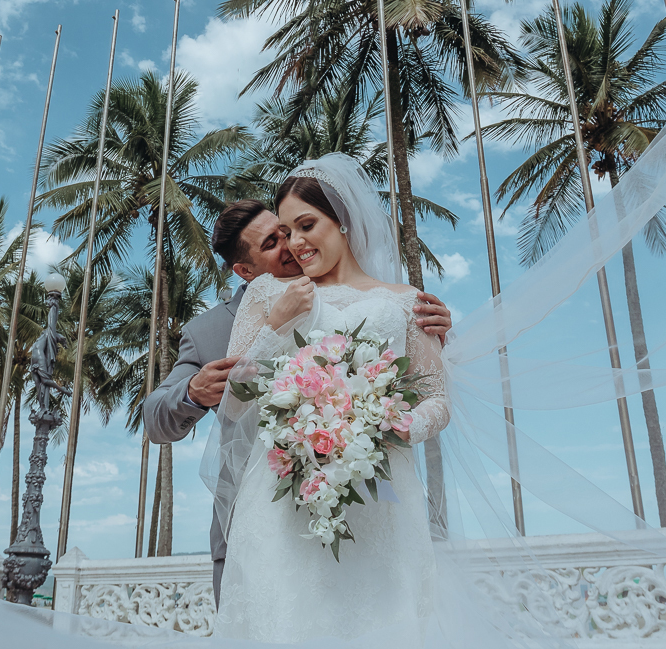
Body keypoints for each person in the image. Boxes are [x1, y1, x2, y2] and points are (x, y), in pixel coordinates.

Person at [142, 197, 454, 605]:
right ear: (245, 270)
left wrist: (438, 333)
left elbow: (421, 377)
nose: (291, 245)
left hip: (373, 501)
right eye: (272, 243)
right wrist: (193, 392)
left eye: (287, 231)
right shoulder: (209, 330)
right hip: (265, 519)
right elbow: (155, 418)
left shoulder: (375, 296)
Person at [207, 155, 451, 644]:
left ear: (342, 220)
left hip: (381, 493)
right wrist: (276, 326)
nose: (296, 243)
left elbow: (437, 397)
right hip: (282, 496)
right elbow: (233, 404)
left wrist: (405, 424)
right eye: (286, 232)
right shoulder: (267, 294)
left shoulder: (406, 301)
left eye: (306, 225)